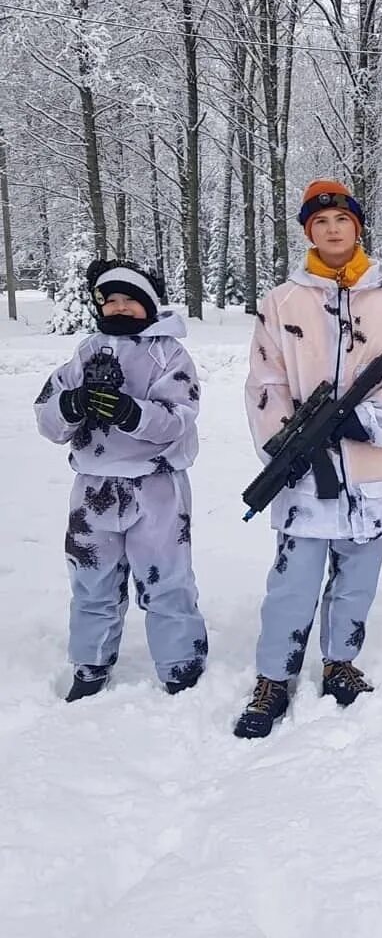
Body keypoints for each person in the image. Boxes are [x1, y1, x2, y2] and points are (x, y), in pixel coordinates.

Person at [234, 180, 382, 738]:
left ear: (357, 228)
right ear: (308, 232)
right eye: (319, 222)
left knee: (357, 580)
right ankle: (274, 676)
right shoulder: (282, 301)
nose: (331, 230)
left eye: (340, 220)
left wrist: (371, 420)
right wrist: (286, 448)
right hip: (306, 470)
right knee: (292, 581)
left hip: (376, 466)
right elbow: (266, 382)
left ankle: (340, 660)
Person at [34, 259, 208, 701]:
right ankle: (90, 661)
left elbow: (179, 419)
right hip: (93, 487)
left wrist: (131, 413)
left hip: (156, 485)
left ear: (148, 304)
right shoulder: (87, 350)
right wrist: (72, 405)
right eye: (111, 299)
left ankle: (179, 659)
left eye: (129, 299)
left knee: (166, 578)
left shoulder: (168, 354)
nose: (119, 306)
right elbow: (48, 418)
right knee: (91, 577)